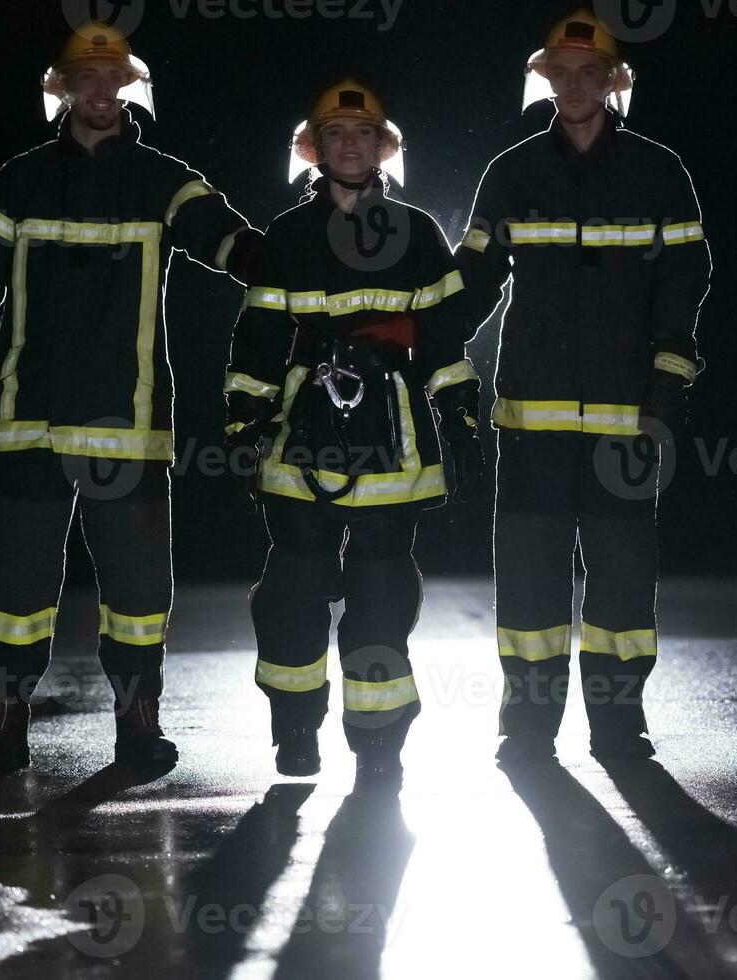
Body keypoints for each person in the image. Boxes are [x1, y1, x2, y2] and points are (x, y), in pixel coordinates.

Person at [0, 23, 262, 770]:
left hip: (128, 422)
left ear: (130, 89)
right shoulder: (15, 181)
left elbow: (227, 241)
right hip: (25, 418)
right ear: (62, 90)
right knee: (15, 593)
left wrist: (294, 256)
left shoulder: (160, 178)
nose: (101, 91)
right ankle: (6, 723)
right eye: (87, 78)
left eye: (113, 78)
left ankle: (138, 725)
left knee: (141, 594)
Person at [456, 9, 713, 764]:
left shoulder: (659, 172)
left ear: (613, 81)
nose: (573, 85)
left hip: (625, 417)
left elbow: (686, 279)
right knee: (530, 579)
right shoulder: (510, 174)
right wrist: (418, 337)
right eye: (560, 73)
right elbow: (470, 284)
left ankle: (617, 719)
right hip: (531, 418)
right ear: (546, 81)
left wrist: (668, 383)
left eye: (588, 72)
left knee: (624, 580)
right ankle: (529, 723)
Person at [223, 78, 484, 789]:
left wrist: (460, 411)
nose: (349, 144)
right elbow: (258, 339)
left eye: (362, 134)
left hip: (392, 435)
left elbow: (442, 337)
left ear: (382, 147)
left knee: (382, 591)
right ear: (314, 147)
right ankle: (295, 727)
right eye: (335, 134)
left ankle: (377, 739)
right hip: (302, 429)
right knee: (294, 586)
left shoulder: (420, 233)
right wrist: (245, 420)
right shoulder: (287, 237)